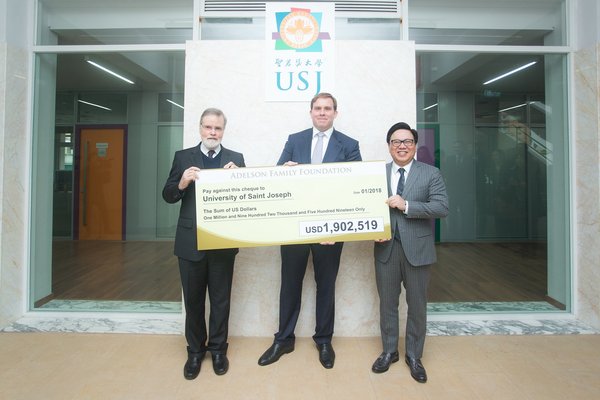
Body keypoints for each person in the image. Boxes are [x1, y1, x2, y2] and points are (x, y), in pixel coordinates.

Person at [258, 92, 362, 369]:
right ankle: (284, 339)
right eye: (318, 108)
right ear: (311, 111)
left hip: (330, 231)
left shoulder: (349, 145)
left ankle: (324, 340)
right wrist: (285, 170)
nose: (322, 113)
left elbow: (355, 189)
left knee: (326, 285)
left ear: (335, 113)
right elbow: (277, 178)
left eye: (328, 108)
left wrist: (335, 227)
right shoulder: (295, 140)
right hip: (294, 227)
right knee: (289, 283)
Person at [162, 108, 245, 379]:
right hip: (190, 243)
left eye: (217, 128)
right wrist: (183, 182)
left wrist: (238, 181)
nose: (212, 132)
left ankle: (218, 350)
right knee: (194, 301)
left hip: (222, 242)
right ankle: (195, 352)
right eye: (208, 127)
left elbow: (246, 202)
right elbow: (168, 195)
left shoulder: (236, 159)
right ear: (200, 128)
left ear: (224, 131)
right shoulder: (183, 157)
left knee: (221, 300)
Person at [371, 122, 448, 383]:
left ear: (415, 145)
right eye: (396, 142)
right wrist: (371, 229)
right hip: (386, 249)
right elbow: (365, 209)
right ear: (389, 146)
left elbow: (441, 207)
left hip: (419, 250)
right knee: (387, 304)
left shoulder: (431, 173)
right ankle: (389, 351)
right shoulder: (376, 174)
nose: (401, 146)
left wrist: (407, 205)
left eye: (407, 142)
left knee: (417, 306)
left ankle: (414, 356)